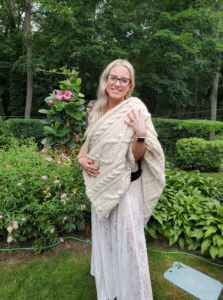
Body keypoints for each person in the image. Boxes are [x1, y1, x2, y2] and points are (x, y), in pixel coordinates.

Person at [77, 59, 165, 300]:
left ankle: (133, 293)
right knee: (106, 239)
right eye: (113, 78)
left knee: (129, 244)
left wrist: (140, 133)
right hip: (101, 186)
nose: (117, 83)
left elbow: (138, 157)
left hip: (126, 188)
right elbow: (86, 147)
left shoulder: (135, 110)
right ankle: (112, 286)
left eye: (123, 80)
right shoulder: (95, 110)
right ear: (105, 80)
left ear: (130, 85)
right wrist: (80, 160)